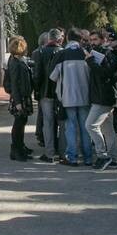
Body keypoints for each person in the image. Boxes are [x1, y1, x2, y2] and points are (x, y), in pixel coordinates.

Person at [50, 29, 93, 166]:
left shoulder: (62, 54)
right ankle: (88, 158)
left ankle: (72, 157)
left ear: (67, 39)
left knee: (71, 127)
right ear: (80, 40)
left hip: (67, 96)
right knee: (85, 127)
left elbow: (53, 76)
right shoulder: (86, 54)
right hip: (85, 96)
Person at [83, 30, 117, 170]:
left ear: (103, 40)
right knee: (107, 129)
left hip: (104, 97)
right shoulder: (96, 54)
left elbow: (105, 74)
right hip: (99, 96)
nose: (93, 42)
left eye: (95, 39)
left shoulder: (108, 55)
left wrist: (91, 62)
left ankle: (103, 155)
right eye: (91, 40)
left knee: (90, 125)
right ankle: (112, 158)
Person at [33, 29, 64, 161]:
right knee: (63, 122)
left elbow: (37, 74)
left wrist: (37, 90)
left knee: (48, 122)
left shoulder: (40, 52)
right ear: (59, 39)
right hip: (61, 92)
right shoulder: (63, 52)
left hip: (45, 92)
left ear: (49, 38)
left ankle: (49, 152)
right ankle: (63, 153)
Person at [4, 36, 35, 161]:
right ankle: (16, 150)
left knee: (21, 123)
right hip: (20, 98)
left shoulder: (17, 60)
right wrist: (17, 102)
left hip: (23, 96)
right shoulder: (15, 63)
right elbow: (15, 84)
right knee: (18, 124)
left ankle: (20, 147)